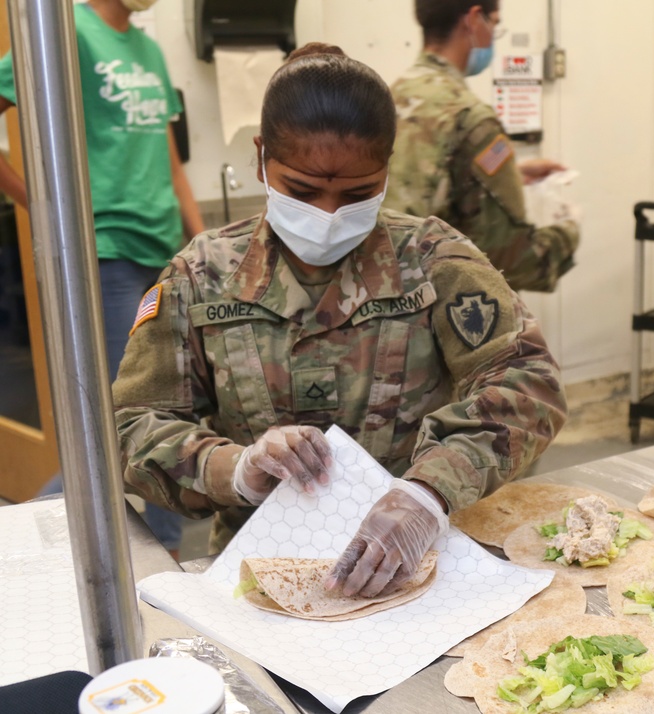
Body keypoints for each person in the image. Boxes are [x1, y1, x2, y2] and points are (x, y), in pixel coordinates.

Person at [112, 43, 567, 597]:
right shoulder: (200, 276)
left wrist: (428, 493)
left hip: (422, 565)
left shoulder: (432, 260)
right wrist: (234, 468)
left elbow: (528, 383)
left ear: (386, 169)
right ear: (261, 158)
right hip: (260, 573)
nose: (327, 215)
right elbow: (132, 426)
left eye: (357, 193)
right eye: (302, 190)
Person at [0, 0, 203, 559]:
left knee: (172, 408)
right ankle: (23, 545)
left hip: (163, 254)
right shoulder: (69, 36)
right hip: (106, 252)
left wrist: (202, 240)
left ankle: (163, 557)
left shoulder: (149, 50)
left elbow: (171, 162)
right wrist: (43, 206)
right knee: (116, 425)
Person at [383, 0, 579, 293]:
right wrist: (569, 229)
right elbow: (511, 260)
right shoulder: (471, 119)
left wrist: (512, 173)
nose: (493, 35)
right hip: (444, 318)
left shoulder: (388, 98)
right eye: (495, 24)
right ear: (474, 20)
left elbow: (424, 179)